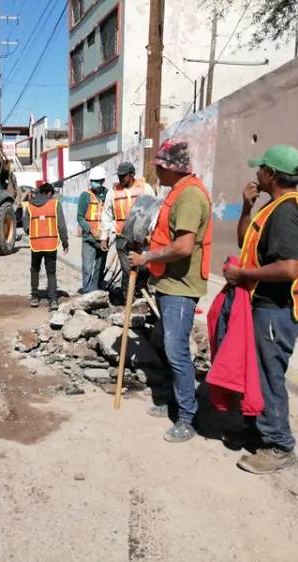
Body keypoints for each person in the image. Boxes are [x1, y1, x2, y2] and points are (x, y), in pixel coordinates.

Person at [222, 145, 298, 474]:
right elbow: (245, 241)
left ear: (271, 174)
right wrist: (246, 208)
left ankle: (279, 445)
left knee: (268, 376)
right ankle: (258, 430)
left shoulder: (286, 213)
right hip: (262, 306)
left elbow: (288, 268)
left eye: (260, 168)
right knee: (256, 372)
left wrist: (242, 274)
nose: (256, 173)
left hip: (277, 309)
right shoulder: (274, 207)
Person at [128, 141, 212, 443]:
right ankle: (173, 400)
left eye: (159, 168)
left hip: (180, 287)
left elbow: (183, 246)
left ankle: (187, 417)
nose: (156, 173)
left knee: (177, 350)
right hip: (168, 283)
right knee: (164, 344)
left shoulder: (189, 197)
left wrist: (147, 257)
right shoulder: (178, 192)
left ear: (170, 168)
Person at [100, 161, 155, 303]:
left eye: (123, 176)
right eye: (119, 176)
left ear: (132, 175)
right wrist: (103, 237)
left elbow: (154, 212)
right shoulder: (113, 192)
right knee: (127, 269)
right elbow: (106, 215)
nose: (120, 179)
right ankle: (127, 299)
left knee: (144, 268)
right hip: (122, 237)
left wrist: (153, 233)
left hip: (142, 237)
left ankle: (140, 292)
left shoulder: (145, 188)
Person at [23, 182, 69, 311]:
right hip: (51, 244)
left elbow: (26, 226)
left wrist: (34, 233)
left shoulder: (30, 205)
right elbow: (62, 226)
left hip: (36, 244)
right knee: (51, 272)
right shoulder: (55, 204)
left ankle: (34, 297)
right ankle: (53, 300)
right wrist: (65, 242)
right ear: (49, 193)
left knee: (35, 269)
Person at [77, 167, 108, 293]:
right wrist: (92, 230)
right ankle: (87, 292)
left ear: (102, 181)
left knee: (100, 267)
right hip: (89, 238)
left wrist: (105, 235)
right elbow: (80, 218)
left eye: (96, 180)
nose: (94, 183)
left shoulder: (108, 194)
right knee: (87, 267)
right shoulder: (85, 196)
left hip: (104, 239)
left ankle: (96, 290)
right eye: (92, 180)